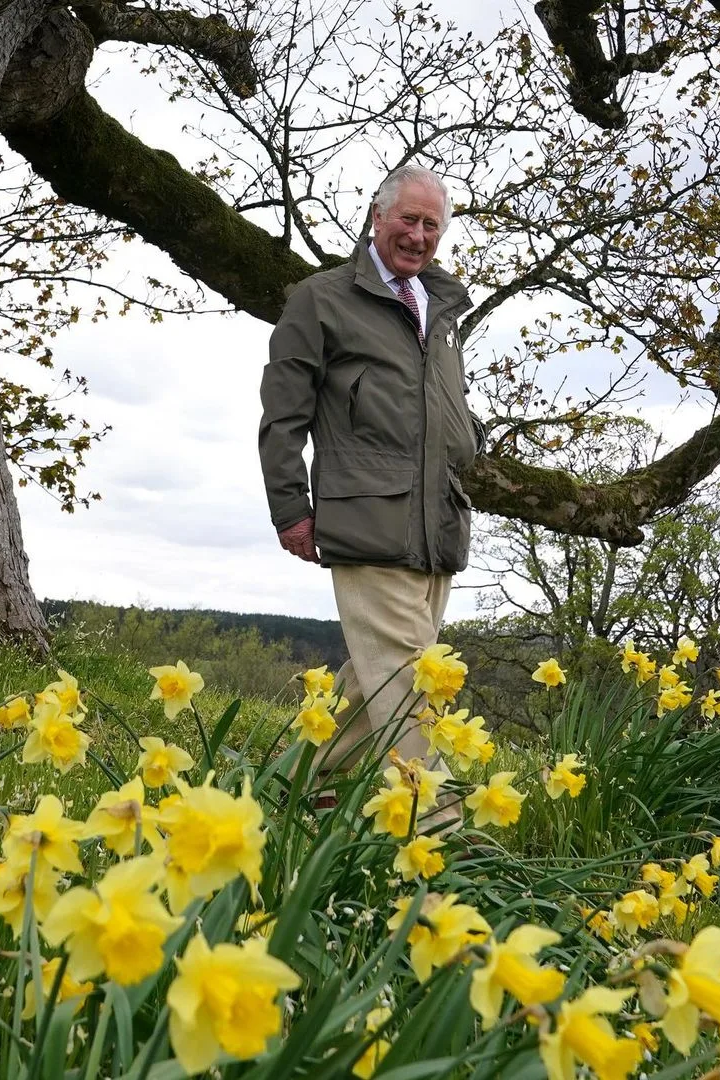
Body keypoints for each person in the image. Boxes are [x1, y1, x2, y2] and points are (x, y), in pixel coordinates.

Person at [258, 164, 483, 802]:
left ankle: (295, 786)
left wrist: (469, 439)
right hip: (364, 518)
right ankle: (436, 834)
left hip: (437, 523)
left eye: (431, 225)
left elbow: (440, 409)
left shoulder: (440, 307)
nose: (417, 235)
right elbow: (283, 415)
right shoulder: (321, 298)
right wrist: (290, 509)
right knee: (416, 680)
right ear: (377, 218)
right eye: (407, 219)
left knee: (374, 680)